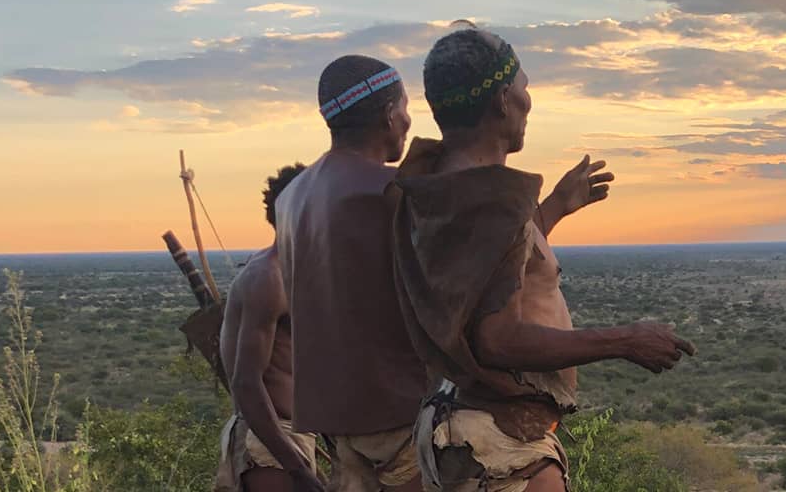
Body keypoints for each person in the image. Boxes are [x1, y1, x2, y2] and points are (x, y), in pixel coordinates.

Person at [392, 26, 697, 492]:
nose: (528, 101)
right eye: (524, 87)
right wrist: (625, 340)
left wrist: (551, 209)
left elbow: (488, 270)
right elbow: (496, 339)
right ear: (501, 100)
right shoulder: (490, 201)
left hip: (462, 431)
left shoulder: (436, 187)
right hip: (500, 448)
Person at [275, 55, 425, 492]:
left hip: (338, 426)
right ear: (388, 114)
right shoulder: (390, 190)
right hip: (399, 420)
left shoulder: (293, 198)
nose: (408, 120)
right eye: (405, 107)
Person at [217, 163, 324, 492]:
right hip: (269, 442)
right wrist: (296, 469)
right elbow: (246, 383)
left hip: (286, 438)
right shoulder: (268, 278)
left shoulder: (293, 273)